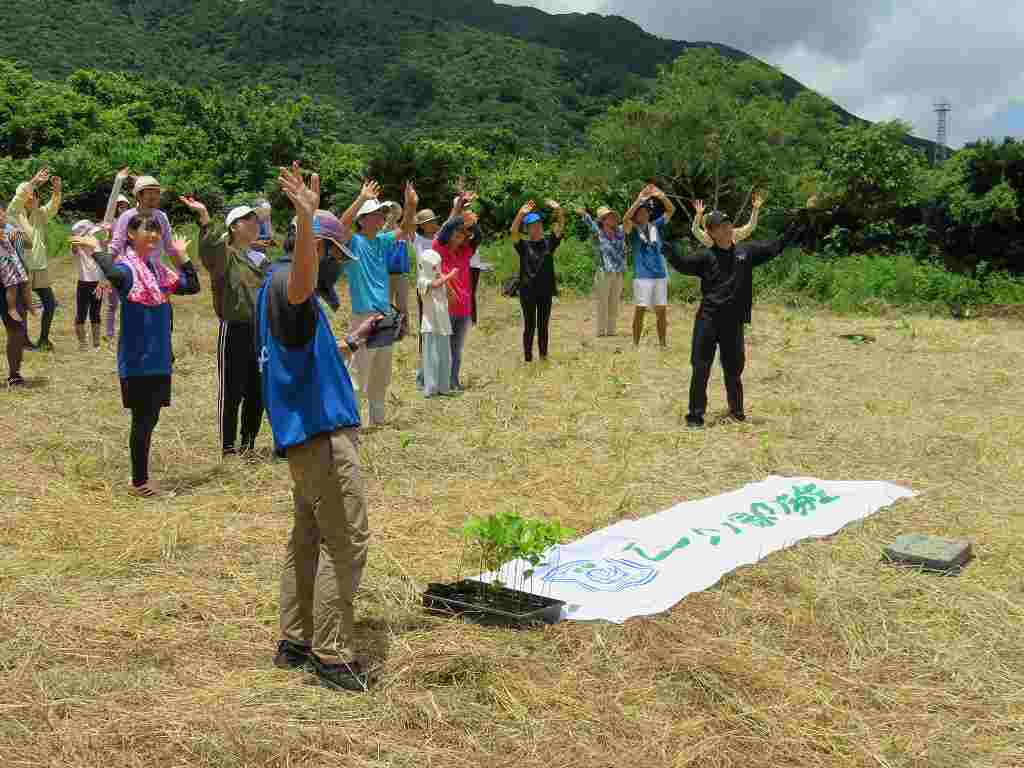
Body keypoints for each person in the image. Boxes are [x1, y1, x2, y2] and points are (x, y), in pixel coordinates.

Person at [255, 162, 381, 693]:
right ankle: (331, 656)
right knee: (347, 542)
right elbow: (306, 283)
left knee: (308, 537)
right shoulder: (290, 281)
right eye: (336, 257)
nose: (337, 270)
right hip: (322, 438)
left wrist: (353, 340)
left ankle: (296, 637)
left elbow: (305, 357)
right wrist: (308, 219)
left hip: (305, 439)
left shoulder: (282, 291)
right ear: (319, 251)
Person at [71, 215, 199, 497]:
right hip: (139, 359)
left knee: (150, 418)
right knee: (143, 419)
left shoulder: (158, 271)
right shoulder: (128, 269)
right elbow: (114, 275)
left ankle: (139, 479)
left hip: (159, 358)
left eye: (156, 230)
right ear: (130, 233)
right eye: (147, 230)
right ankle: (140, 483)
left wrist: (182, 256)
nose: (154, 235)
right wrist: (97, 250)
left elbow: (192, 285)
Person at [666, 204, 808, 427]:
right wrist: (666, 247)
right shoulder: (705, 257)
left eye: (727, 224)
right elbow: (682, 264)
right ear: (711, 233)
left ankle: (737, 413)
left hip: (733, 322)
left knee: (733, 369)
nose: (726, 229)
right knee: (701, 367)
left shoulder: (746, 252)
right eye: (719, 227)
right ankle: (695, 416)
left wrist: (794, 228)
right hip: (708, 319)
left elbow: (774, 247)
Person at [182, 196, 271, 457]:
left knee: (258, 391)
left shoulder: (262, 259)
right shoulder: (226, 256)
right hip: (234, 329)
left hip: (260, 332)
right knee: (232, 390)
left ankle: (249, 443)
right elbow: (209, 252)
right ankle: (228, 448)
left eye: (256, 220)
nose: (255, 224)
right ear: (234, 227)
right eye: (248, 220)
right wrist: (205, 219)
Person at [336, 180, 417, 426]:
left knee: (381, 373)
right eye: (376, 214)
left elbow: (404, 228)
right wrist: (361, 199)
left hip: (384, 315)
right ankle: (351, 423)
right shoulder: (353, 243)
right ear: (363, 219)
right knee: (359, 372)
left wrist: (410, 205)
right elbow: (340, 227)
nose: (382, 217)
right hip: (364, 316)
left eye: (382, 213)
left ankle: (378, 422)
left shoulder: (381, 241)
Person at [8, 166, 61, 351]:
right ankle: (23, 340)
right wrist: (34, 182)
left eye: (35, 195)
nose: (32, 198)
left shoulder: (40, 215)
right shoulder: (14, 215)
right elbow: (18, 199)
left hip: (40, 267)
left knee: (49, 304)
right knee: (22, 307)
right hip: (22, 269)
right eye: (29, 195)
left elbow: (53, 207)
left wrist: (56, 191)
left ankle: (44, 339)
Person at [433, 198, 481, 389]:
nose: (460, 236)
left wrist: (472, 223)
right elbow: (444, 230)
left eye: (464, 233)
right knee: (440, 347)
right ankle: (433, 380)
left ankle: (453, 381)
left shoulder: (465, 252)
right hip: (445, 306)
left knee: (456, 348)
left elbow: (478, 237)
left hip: (463, 308)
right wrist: (461, 216)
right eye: (458, 232)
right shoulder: (440, 248)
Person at [510, 199, 564, 362]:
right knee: (529, 326)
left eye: (539, 223)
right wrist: (521, 214)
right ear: (527, 229)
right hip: (527, 291)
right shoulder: (523, 245)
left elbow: (560, 227)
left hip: (545, 290)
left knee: (543, 326)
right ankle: (528, 358)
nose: (537, 226)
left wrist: (559, 210)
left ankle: (543, 357)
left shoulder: (549, 242)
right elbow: (513, 231)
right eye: (533, 224)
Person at [623, 184, 676, 348]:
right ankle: (636, 344)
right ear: (637, 215)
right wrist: (639, 200)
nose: (644, 213)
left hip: (659, 274)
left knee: (662, 311)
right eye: (640, 212)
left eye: (646, 211)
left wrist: (660, 195)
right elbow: (625, 220)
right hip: (642, 275)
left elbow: (671, 210)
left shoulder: (656, 225)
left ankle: (662, 344)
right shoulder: (632, 229)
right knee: (640, 310)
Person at [579, 204, 626, 337]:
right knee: (602, 303)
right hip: (603, 272)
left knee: (614, 303)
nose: (613, 219)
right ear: (603, 220)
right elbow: (590, 223)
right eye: (609, 217)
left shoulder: (620, 232)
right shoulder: (598, 233)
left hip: (618, 272)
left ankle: (611, 331)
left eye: (613, 216)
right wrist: (584, 214)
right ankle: (600, 331)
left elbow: (629, 220)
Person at [417, 249, 457, 397]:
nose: (436, 269)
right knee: (431, 357)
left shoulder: (441, 279)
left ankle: (444, 386)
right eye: (433, 267)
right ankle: (431, 388)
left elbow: (452, 299)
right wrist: (449, 276)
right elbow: (434, 285)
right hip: (430, 324)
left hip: (443, 323)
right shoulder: (422, 281)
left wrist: (449, 282)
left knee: (445, 356)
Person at [0, 212, 34, 387]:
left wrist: (19, 234)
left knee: (16, 331)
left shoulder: (9, 228)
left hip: (14, 282)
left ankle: (14, 374)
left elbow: (29, 243)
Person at [100, 168, 133, 342]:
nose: (121, 207)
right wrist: (118, 181)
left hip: (128, 266)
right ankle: (110, 334)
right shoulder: (109, 222)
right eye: (119, 205)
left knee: (129, 301)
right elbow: (110, 204)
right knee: (112, 303)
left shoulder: (132, 222)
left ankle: (126, 332)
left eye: (124, 205)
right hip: (112, 266)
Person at [70, 220, 107, 351]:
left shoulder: (98, 244)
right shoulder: (76, 245)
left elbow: (106, 243)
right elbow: (74, 244)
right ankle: (82, 343)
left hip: (98, 282)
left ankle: (96, 343)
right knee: (81, 313)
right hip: (83, 282)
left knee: (95, 313)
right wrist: (77, 237)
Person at [382, 201, 412, 339]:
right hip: (385, 273)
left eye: (394, 211)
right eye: (389, 211)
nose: (392, 214)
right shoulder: (380, 231)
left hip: (402, 273)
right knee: (386, 303)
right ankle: (387, 330)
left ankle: (404, 330)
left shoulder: (403, 231)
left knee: (402, 304)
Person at [692, 193, 762, 247]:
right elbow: (695, 230)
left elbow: (750, 227)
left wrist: (755, 209)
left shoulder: (733, 234)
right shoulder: (709, 240)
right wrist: (698, 214)